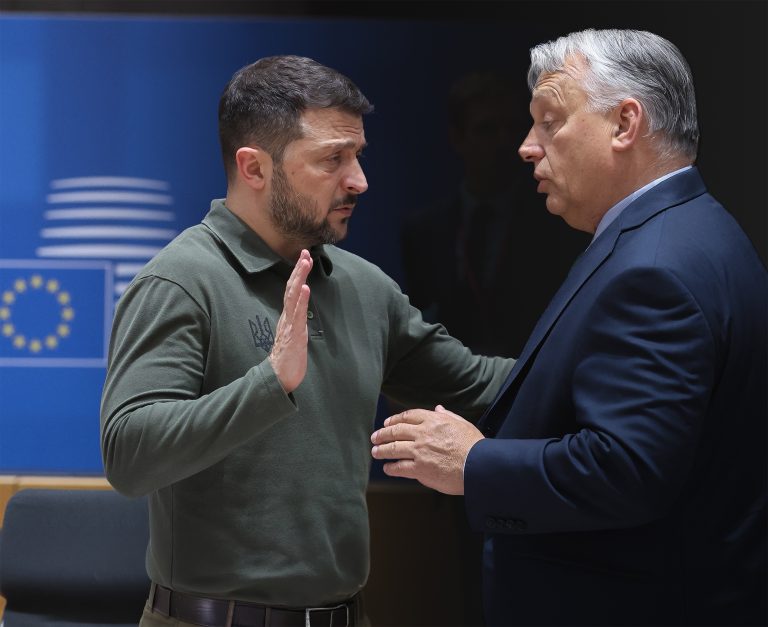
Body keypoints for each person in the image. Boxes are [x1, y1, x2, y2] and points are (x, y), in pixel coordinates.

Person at [99, 55, 514, 626]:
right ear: (254, 168)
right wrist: (270, 383)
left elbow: (484, 387)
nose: (359, 180)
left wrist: (599, 352)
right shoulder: (180, 281)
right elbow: (128, 455)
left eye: (358, 156)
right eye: (332, 159)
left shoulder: (366, 287)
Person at [371, 28, 767, 626]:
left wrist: (473, 464)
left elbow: (627, 469)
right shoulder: (689, 229)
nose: (528, 147)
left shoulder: (655, 268)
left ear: (624, 124)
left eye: (550, 120)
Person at [402, 69, 587, 358]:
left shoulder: (557, 225)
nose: (503, 143)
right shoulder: (424, 230)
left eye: (512, 129)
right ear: (457, 137)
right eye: (486, 129)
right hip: (444, 381)